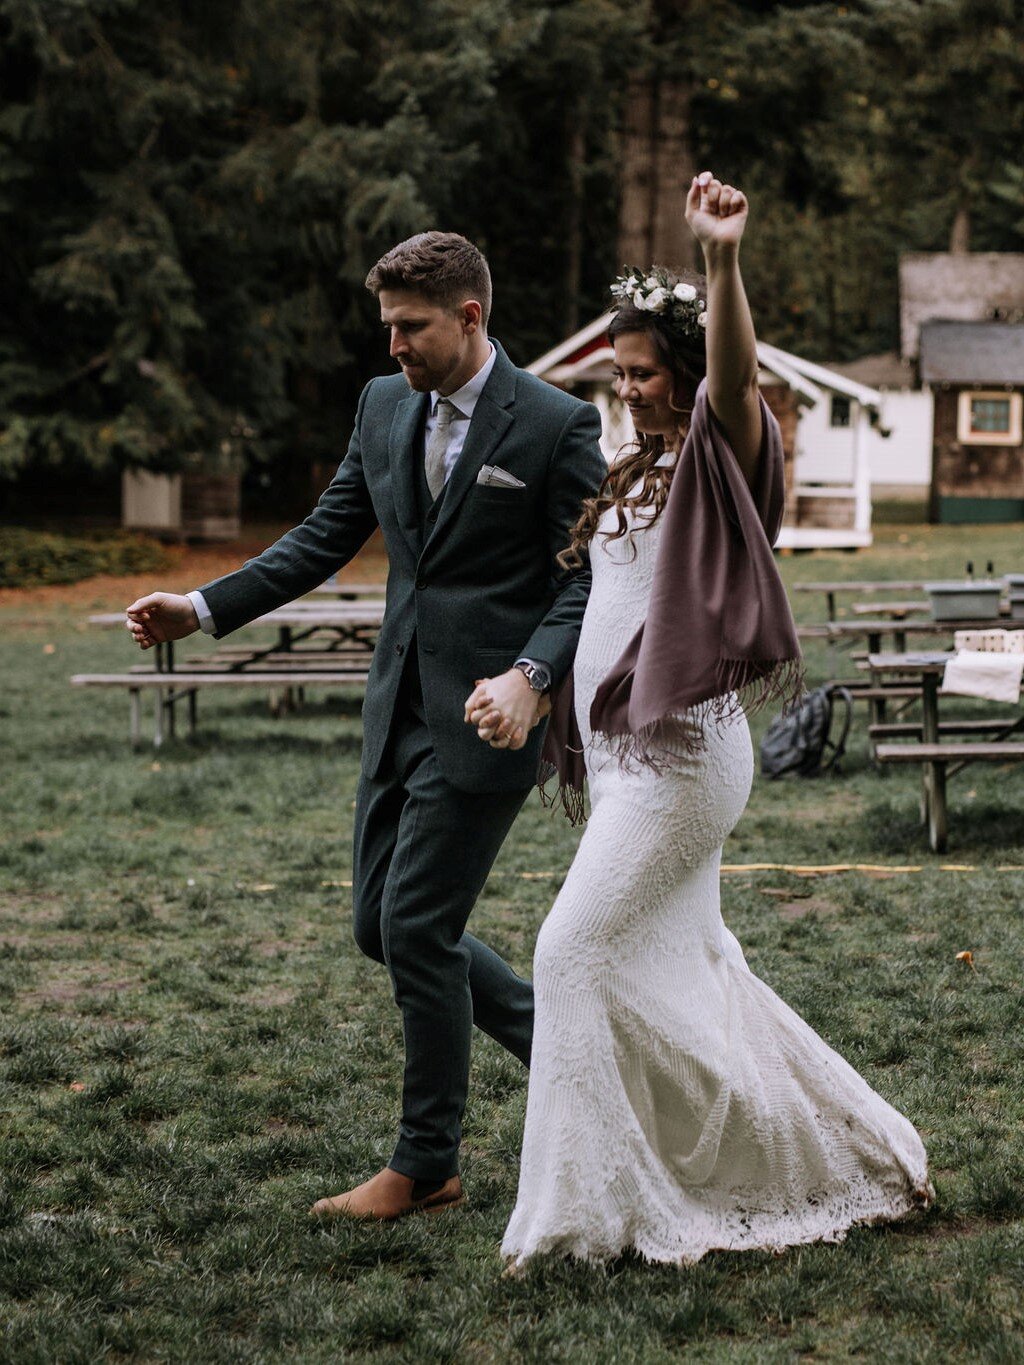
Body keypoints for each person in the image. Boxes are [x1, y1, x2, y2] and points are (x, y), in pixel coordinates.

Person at [469, 173, 932, 1267]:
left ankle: (580, 1218)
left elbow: (734, 377)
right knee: (684, 967)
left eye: (645, 374)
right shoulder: (638, 462)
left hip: (680, 762)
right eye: (619, 376)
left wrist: (720, 264)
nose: (629, 391)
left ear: (683, 372)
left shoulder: (726, 450)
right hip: (629, 761)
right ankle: (832, 1152)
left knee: (571, 952)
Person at [125, 232, 606, 1222]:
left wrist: (530, 678)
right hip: (395, 711)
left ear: (469, 317)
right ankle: (581, 1052)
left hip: (490, 720)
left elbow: (585, 578)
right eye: (385, 325)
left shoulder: (557, 424)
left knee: (418, 928)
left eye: (409, 327)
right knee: (378, 930)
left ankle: (426, 1164)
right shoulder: (382, 406)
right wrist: (203, 609)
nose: (392, 346)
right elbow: (322, 536)